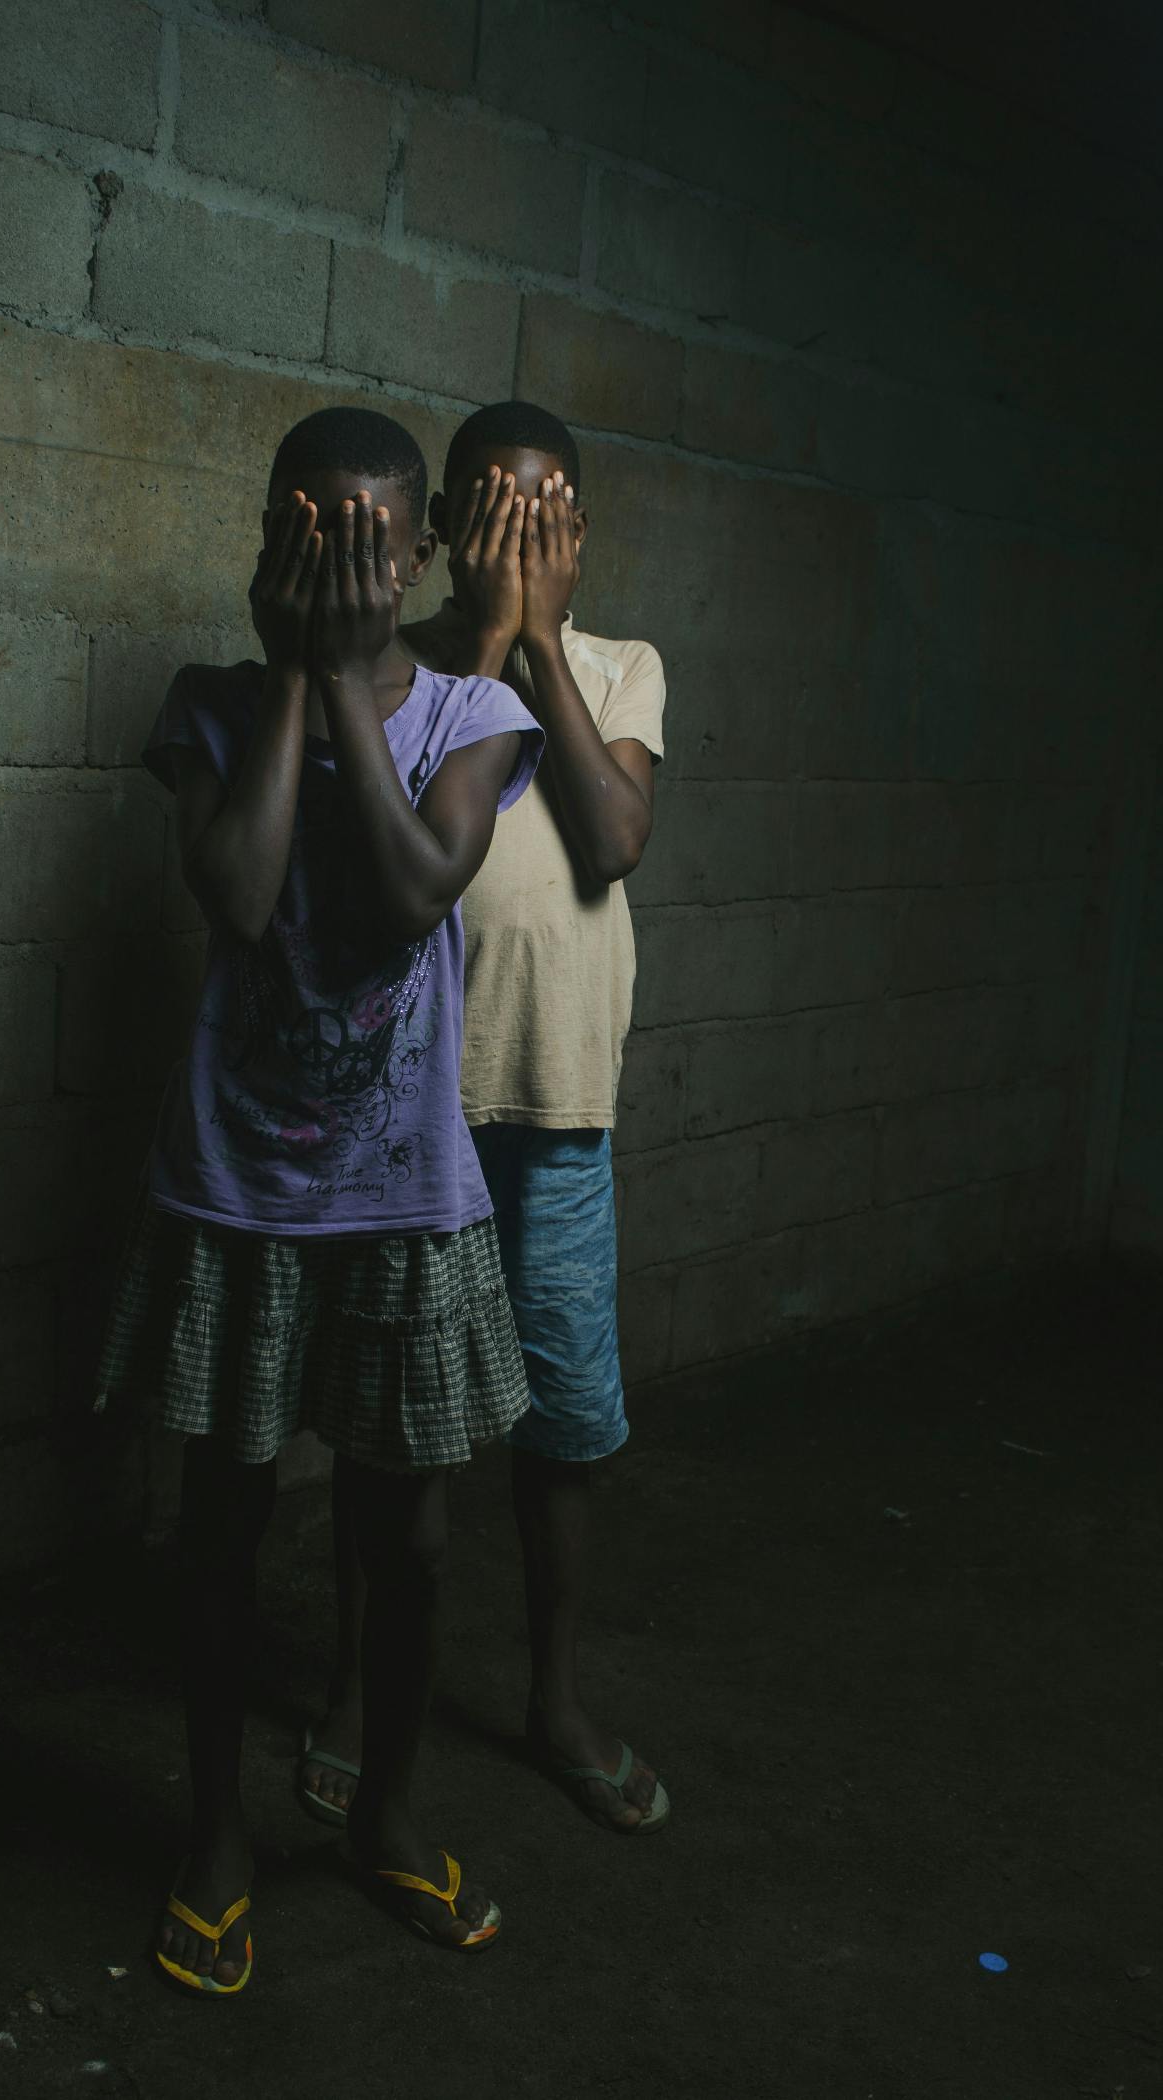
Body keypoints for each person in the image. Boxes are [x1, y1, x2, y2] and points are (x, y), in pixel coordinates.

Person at [94, 405, 543, 1991]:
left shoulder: (477, 708)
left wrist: (353, 678)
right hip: (239, 1186)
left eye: (371, 539)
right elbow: (235, 890)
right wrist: (299, 669)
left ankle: (388, 1809)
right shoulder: (209, 704)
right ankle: (213, 1829)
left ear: (415, 555)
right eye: (311, 531)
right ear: (273, 541)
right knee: (226, 1516)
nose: (343, 561)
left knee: (407, 1534)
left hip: (403, 1194)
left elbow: (420, 885)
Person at [299, 400, 670, 1841]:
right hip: (412, 1116)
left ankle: (553, 1693)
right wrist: (485, 651)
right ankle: (349, 1685)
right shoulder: (401, 680)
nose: (521, 537)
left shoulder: (622, 669)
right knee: (394, 1435)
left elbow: (614, 834)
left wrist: (534, 646)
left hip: (561, 1107)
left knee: (563, 1427)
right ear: (446, 530)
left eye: (551, 511)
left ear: (577, 536)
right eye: (496, 514)